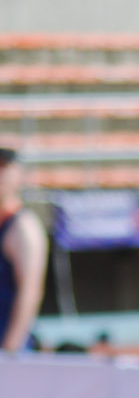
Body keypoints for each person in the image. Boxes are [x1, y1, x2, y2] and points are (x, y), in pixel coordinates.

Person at [0, 151, 50, 356]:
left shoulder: (22, 226)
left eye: (4, 168)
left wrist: (10, 348)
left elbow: (30, 291)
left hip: (8, 348)